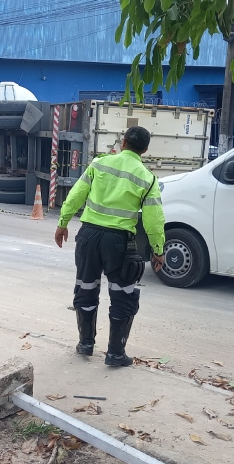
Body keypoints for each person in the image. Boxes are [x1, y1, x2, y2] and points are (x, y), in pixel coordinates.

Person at [54, 126, 165, 367]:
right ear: (145, 150)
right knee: (123, 294)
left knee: (85, 287)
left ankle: (85, 343)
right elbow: (154, 220)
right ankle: (115, 353)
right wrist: (158, 250)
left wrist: (63, 222)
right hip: (119, 242)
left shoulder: (99, 164)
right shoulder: (148, 178)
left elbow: (76, 195)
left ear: (123, 142)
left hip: (88, 236)